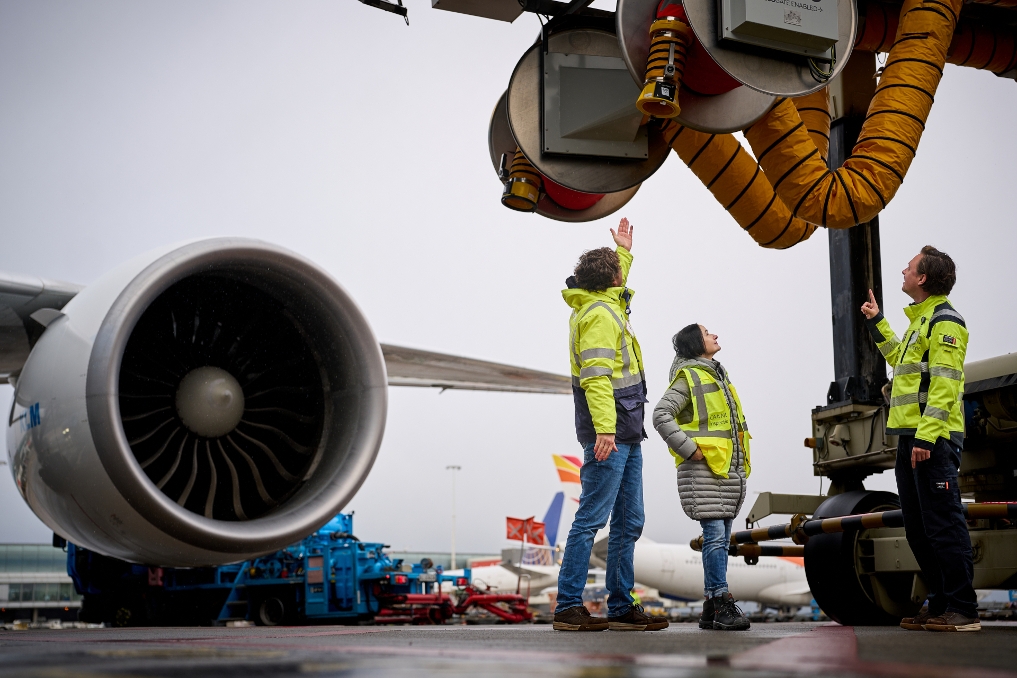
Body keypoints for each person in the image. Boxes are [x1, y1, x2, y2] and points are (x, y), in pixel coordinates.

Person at [553, 218, 667, 633]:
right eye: (620, 271)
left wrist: (623, 252)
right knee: (592, 518)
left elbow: (617, 285)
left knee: (628, 521)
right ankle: (568, 606)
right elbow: (596, 378)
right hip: (612, 432)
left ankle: (621, 607)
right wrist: (605, 430)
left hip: (627, 429)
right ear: (611, 279)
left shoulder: (604, 303)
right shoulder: (601, 314)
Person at [860, 246, 978, 632]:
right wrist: (877, 321)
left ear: (923, 278)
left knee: (943, 525)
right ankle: (941, 602)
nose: (903, 271)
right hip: (911, 437)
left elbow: (945, 385)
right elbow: (899, 359)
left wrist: (926, 439)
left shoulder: (946, 321)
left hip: (933, 438)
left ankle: (963, 609)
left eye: (909, 268)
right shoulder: (920, 321)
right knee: (918, 527)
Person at [652, 324, 751, 631]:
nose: (715, 335)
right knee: (716, 538)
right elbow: (660, 415)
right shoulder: (689, 377)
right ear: (697, 343)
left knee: (719, 539)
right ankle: (721, 602)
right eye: (708, 333)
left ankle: (711, 606)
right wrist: (690, 449)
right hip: (706, 469)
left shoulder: (716, 376)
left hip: (724, 470)